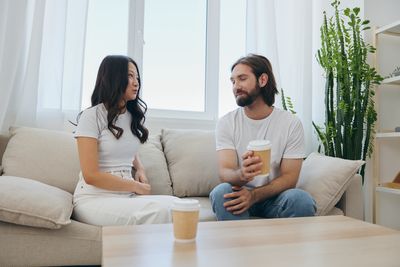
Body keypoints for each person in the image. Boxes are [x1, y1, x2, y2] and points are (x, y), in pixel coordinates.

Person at [73, 55, 177, 226]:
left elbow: (125, 146)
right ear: (114, 78)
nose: (136, 82)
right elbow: (90, 175)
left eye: (137, 77)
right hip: (94, 198)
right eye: (130, 76)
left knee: (178, 205)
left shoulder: (130, 116)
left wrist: (140, 169)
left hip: (125, 197)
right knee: (158, 212)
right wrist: (135, 186)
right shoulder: (92, 116)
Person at [210, 54, 316, 221]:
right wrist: (242, 174)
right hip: (239, 195)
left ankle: (286, 247)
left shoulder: (290, 123)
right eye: (233, 81)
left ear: (263, 80)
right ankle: (241, 246)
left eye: (242, 79)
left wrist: (254, 196)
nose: (236, 86)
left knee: (301, 200)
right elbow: (225, 173)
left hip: (273, 198)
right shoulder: (227, 122)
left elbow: (290, 178)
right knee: (220, 192)